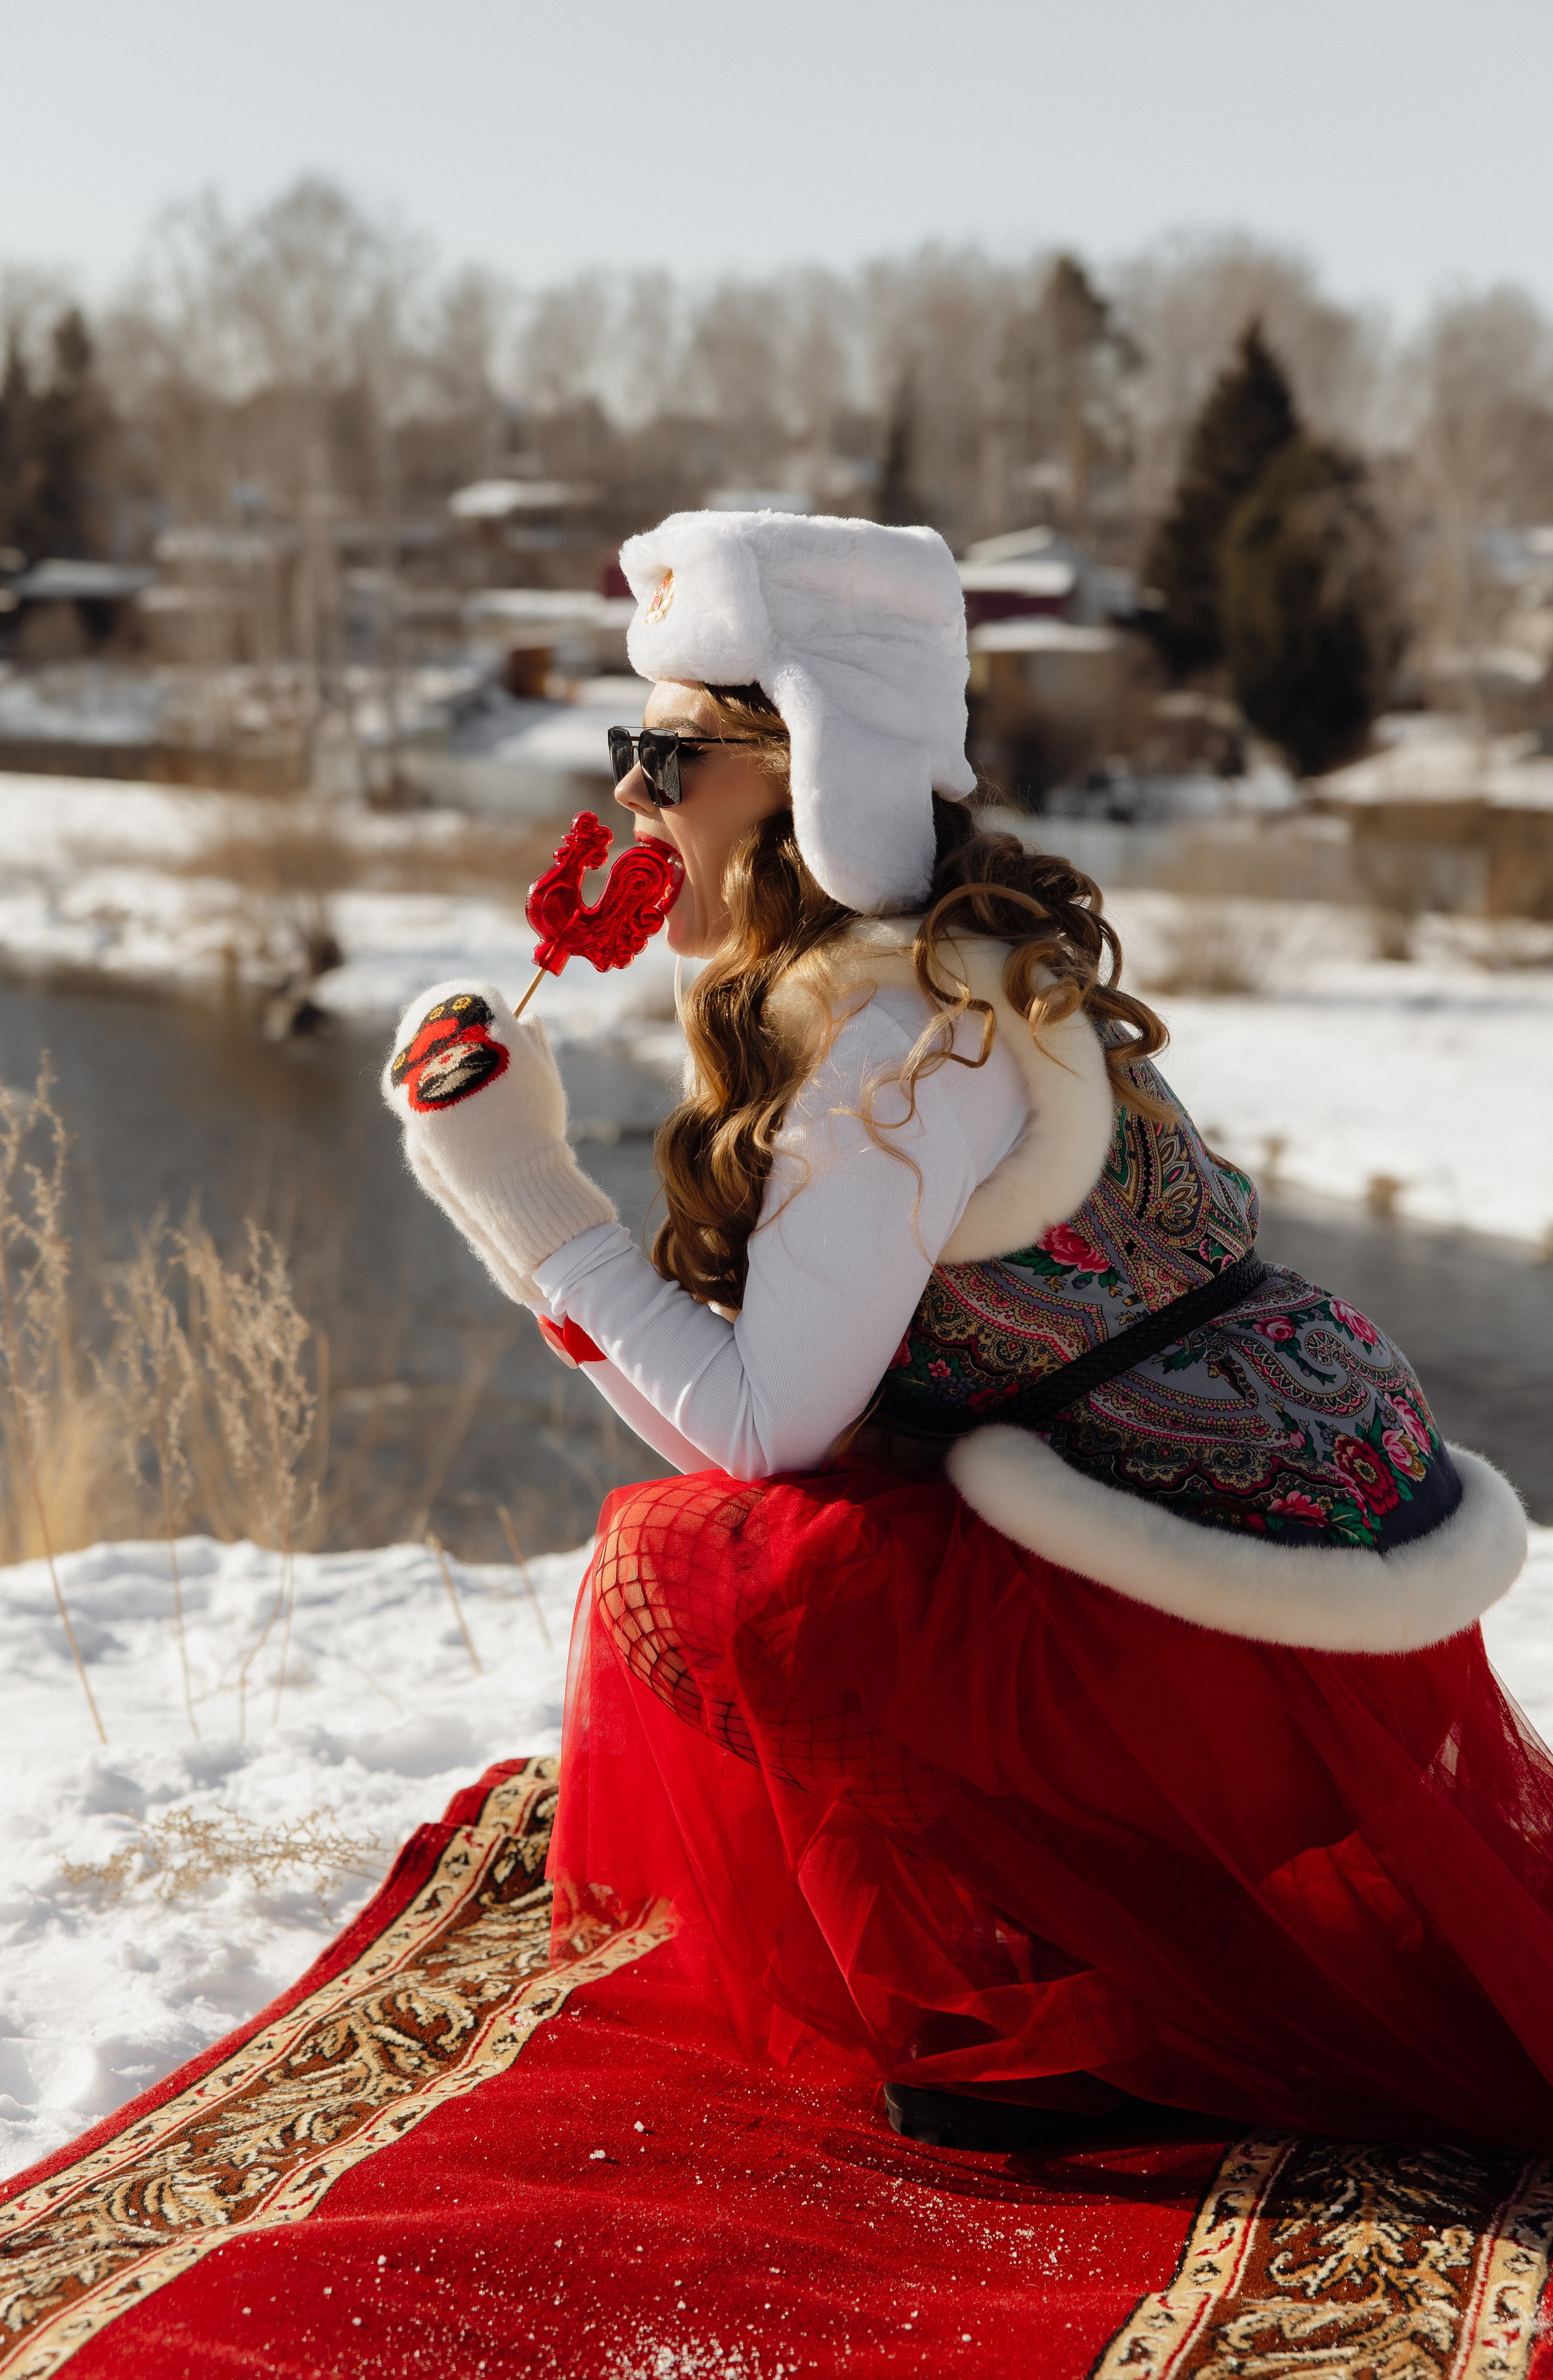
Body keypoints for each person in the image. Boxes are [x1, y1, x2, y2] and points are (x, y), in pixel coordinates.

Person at [383, 510, 1544, 2152]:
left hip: (1256, 1642)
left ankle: (993, 2027)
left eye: (663, 750)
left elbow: (757, 1426)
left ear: (804, 767)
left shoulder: (893, 1044)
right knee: (841, 1538)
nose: (625, 795)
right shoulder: (934, 957)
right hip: (1293, 1558)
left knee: (723, 1573)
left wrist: (518, 1195)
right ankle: (1065, 1932)